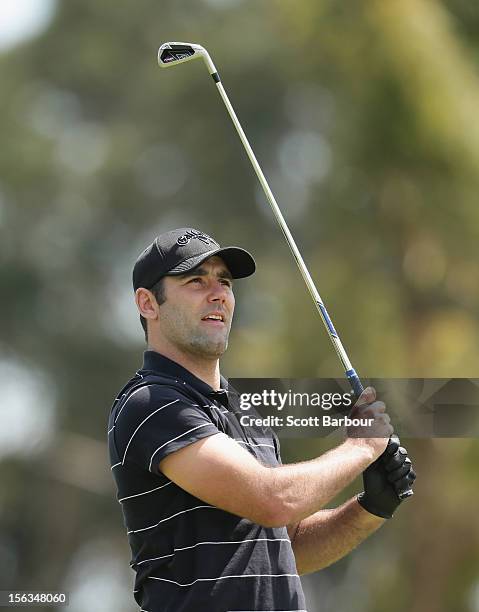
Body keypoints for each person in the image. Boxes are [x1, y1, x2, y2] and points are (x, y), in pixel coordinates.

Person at [108, 227, 416, 612]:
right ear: (148, 304)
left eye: (224, 281)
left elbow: (286, 546)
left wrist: (370, 508)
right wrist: (360, 447)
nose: (218, 292)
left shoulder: (245, 412)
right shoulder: (151, 404)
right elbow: (272, 500)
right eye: (195, 281)